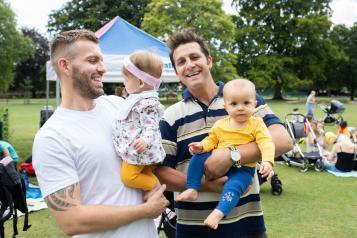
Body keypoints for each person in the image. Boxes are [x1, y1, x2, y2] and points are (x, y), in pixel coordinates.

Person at [155, 28, 293, 238]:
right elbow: (161, 171)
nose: (189, 65)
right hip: (193, 229)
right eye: (181, 62)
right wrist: (203, 185)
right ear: (176, 72)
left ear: (209, 60)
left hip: (246, 226)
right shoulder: (171, 115)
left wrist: (230, 155)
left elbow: (283, 140)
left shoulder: (243, 97)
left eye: (194, 57)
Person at [32, 29, 169, 238]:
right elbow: (72, 221)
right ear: (65, 65)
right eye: (93, 60)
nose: (103, 69)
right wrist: (145, 210)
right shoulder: (52, 137)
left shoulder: (118, 107)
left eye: (102, 60)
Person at [176, 79, 275, 230]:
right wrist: (201, 146)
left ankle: (218, 212)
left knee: (233, 188)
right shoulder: (220, 125)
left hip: (243, 169)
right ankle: (192, 188)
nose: (240, 108)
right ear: (226, 107)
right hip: (216, 159)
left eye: (246, 103)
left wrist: (268, 161)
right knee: (199, 156)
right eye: (234, 104)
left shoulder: (257, 123)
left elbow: (266, 142)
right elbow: (212, 140)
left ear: (255, 104)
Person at [112, 51, 165, 197]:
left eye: (126, 79)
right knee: (145, 173)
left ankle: (155, 186)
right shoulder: (137, 99)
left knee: (128, 177)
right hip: (139, 150)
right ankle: (151, 195)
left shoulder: (147, 103)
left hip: (138, 150)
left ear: (141, 82)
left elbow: (151, 125)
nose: (124, 83)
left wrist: (144, 140)